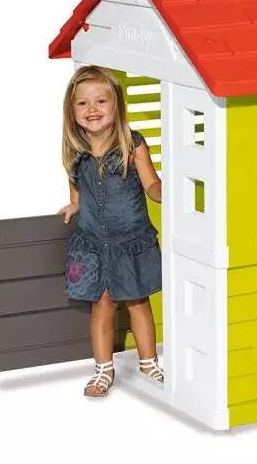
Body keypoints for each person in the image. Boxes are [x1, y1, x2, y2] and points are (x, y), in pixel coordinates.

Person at [57, 65, 164, 397]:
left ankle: (149, 363)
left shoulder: (132, 144)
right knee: (101, 305)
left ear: (116, 105)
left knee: (137, 301)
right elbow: (77, 188)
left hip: (129, 240)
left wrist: (168, 192)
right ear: (72, 111)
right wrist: (74, 204)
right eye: (83, 103)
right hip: (94, 242)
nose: (92, 109)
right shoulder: (76, 151)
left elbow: (152, 184)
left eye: (101, 101)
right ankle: (104, 369)